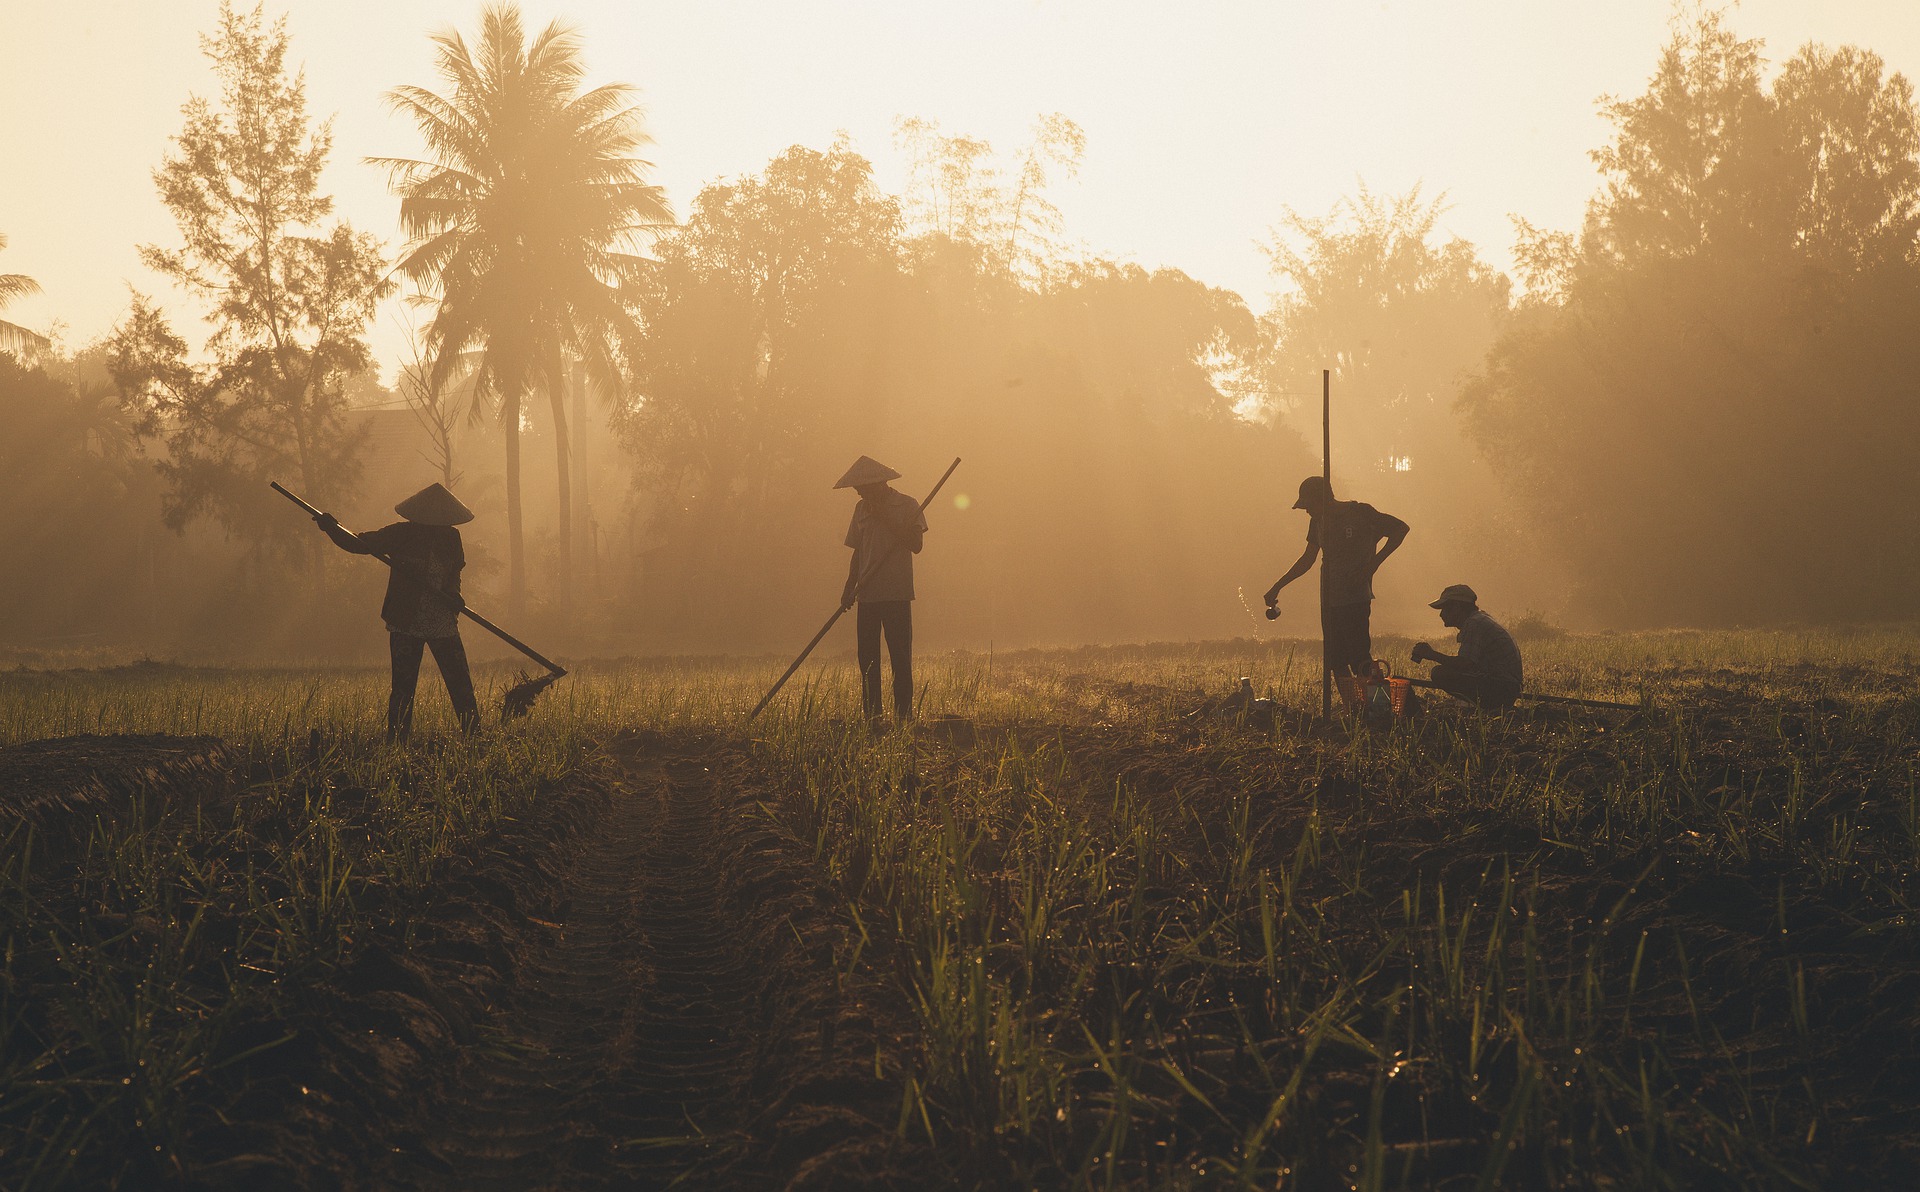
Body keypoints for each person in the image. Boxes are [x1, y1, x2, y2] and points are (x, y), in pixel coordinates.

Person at [315, 482, 482, 743]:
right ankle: (397, 742)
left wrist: (454, 595)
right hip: (407, 620)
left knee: (460, 683)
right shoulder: (403, 534)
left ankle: (475, 738)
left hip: (442, 622)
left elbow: (454, 575)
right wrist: (332, 529)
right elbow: (361, 543)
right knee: (403, 688)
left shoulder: (451, 538)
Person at [1263, 475, 1409, 679]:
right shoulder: (1317, 522)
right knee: (1336, 661)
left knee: (1360, 659)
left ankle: (1370, 707)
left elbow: (1400, 529)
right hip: (1330, 599)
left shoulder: (1361, 513)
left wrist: (1371, 566)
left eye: (1309, 505)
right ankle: (1353, 706)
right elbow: (1307, 559)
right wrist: (1278, 586)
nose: (1307, 511)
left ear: (1323, 499)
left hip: (1355, 597)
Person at [836, 455, 927, 727]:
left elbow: (915, 544)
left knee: (900, 657)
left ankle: (904, 717)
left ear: (880, 483)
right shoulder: (860, 509)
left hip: (897, 594)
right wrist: (848, 587)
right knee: (868, 661)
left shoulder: (908, 505)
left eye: (863, 487)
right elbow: (858, 551)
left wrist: (884, 516)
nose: (859, 492)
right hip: (868, 594)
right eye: (858, 489)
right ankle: (873, 718)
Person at [1412, 584, 1523, 709]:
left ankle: (1483, 706)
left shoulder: (1474, 623)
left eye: (1445, 609)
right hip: (1506, 686)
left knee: (1440, 673)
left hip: (1502, 688)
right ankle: (1478, 705)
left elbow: (1465, 664)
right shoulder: (1479, 619)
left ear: (1457, 607)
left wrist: (1431, 654)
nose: (1441, 614)